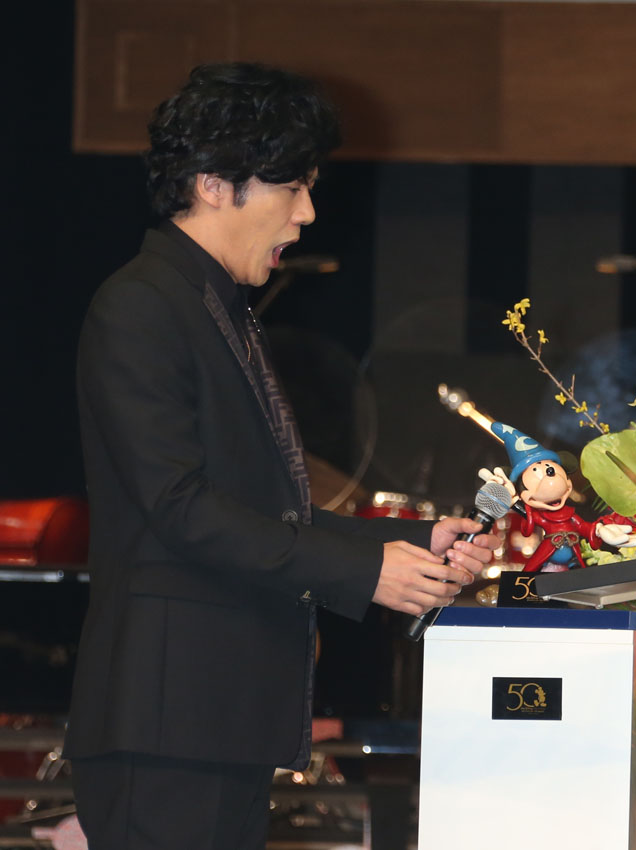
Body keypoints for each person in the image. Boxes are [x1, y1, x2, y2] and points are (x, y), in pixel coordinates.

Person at [66, 63, 499, 850]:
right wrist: (366, 573)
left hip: (211, 720)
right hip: (166, 724)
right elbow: (179, 508)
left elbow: (268, 513)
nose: (307, 213)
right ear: (213, 184)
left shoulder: (214, 308)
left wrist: (406, 544)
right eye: (292, 187)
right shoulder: (140, 306)